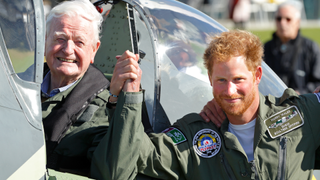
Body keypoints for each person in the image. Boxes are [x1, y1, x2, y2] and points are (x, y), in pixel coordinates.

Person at [92, 30, 320, 180]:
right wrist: (128, 96)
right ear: (209, 78)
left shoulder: (301, 114)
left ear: (257, 75)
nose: (230, 91)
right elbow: (120, 168)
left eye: (238, 79)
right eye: (221, 80)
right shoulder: (192, 135)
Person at [42, 0, 141, 177]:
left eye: (79, 42)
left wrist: (130, 96)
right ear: (44, 41)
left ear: (94, 50)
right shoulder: (17, 84)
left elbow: (115, 174)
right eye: (60, 39)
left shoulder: (103, 109)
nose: (67, 50)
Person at [264, 1, 320, 94]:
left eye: (288, 19)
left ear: (298, 22)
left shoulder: (311, 48)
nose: (282, 23)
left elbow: (317, 82)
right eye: (279, 18)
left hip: (302, 104)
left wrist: (300, 93)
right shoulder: (266, 48)